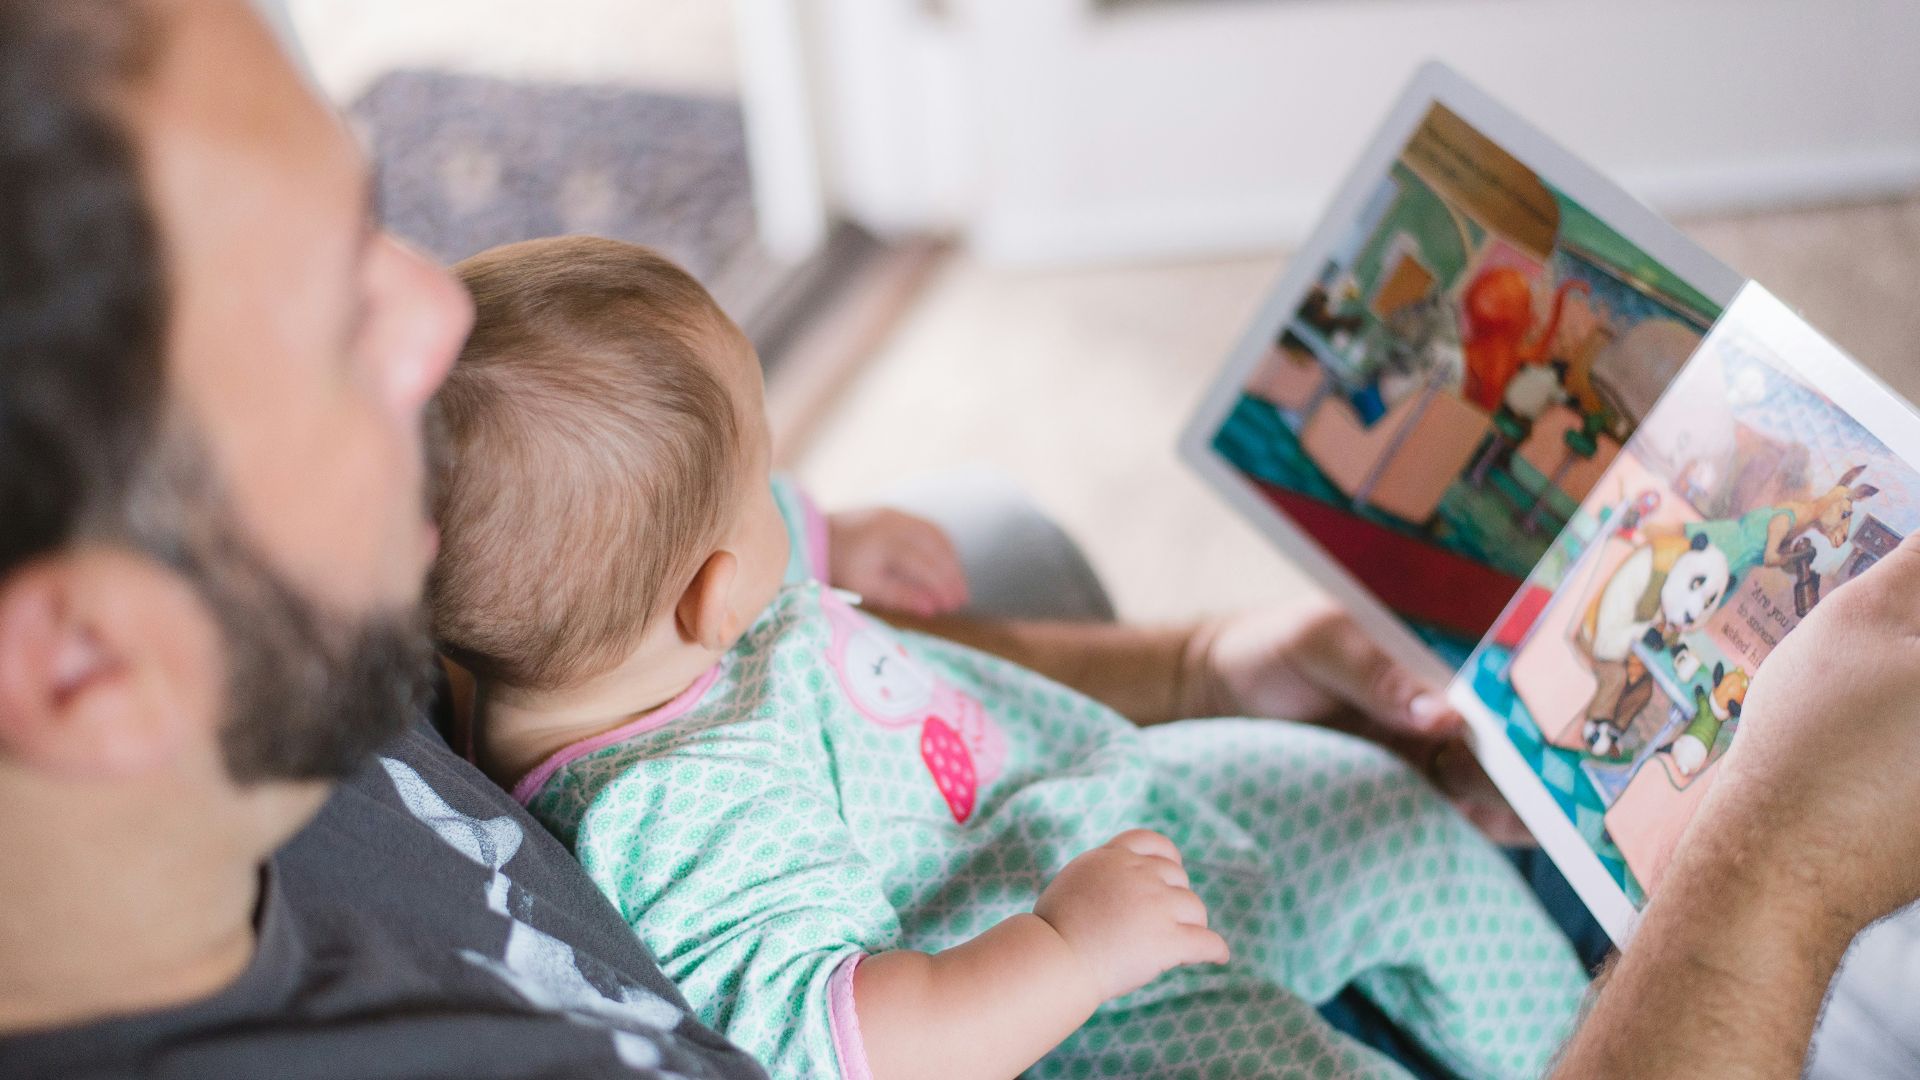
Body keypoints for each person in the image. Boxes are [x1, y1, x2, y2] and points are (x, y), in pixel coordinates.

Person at [0, 2, 1912, 1078]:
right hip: (1086, 1006)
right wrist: (1778, 879)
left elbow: (738, 640)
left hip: (1035, 832)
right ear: (80, 662)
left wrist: (1182, 668)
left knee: (1008, 542)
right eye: (334, 312)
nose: (438, 319)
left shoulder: (331, 606)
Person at [427, 235, 1588, 1079]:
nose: (785, 496)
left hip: (1091, 806)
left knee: (1376, 805)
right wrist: (1069, 951)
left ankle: (1579, 1046)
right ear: (715, 596)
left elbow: (693, 532)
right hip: (1070, 1009)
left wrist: (829, 533)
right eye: (764, 484)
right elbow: (842, 1044)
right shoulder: (678, 813)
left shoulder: (592, 633)